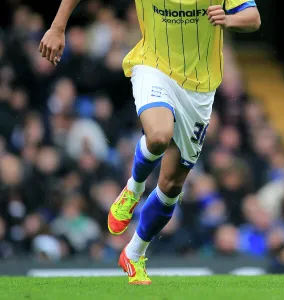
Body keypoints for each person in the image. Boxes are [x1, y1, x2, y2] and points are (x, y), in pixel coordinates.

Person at [39, 0, 261, 285]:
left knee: (171, 186)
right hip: (153, 66)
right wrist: (58, 27)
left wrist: (229, 20)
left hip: (199, 89)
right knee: (158, 136)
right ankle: (133, 189)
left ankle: (133, 253)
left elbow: (253, 18)